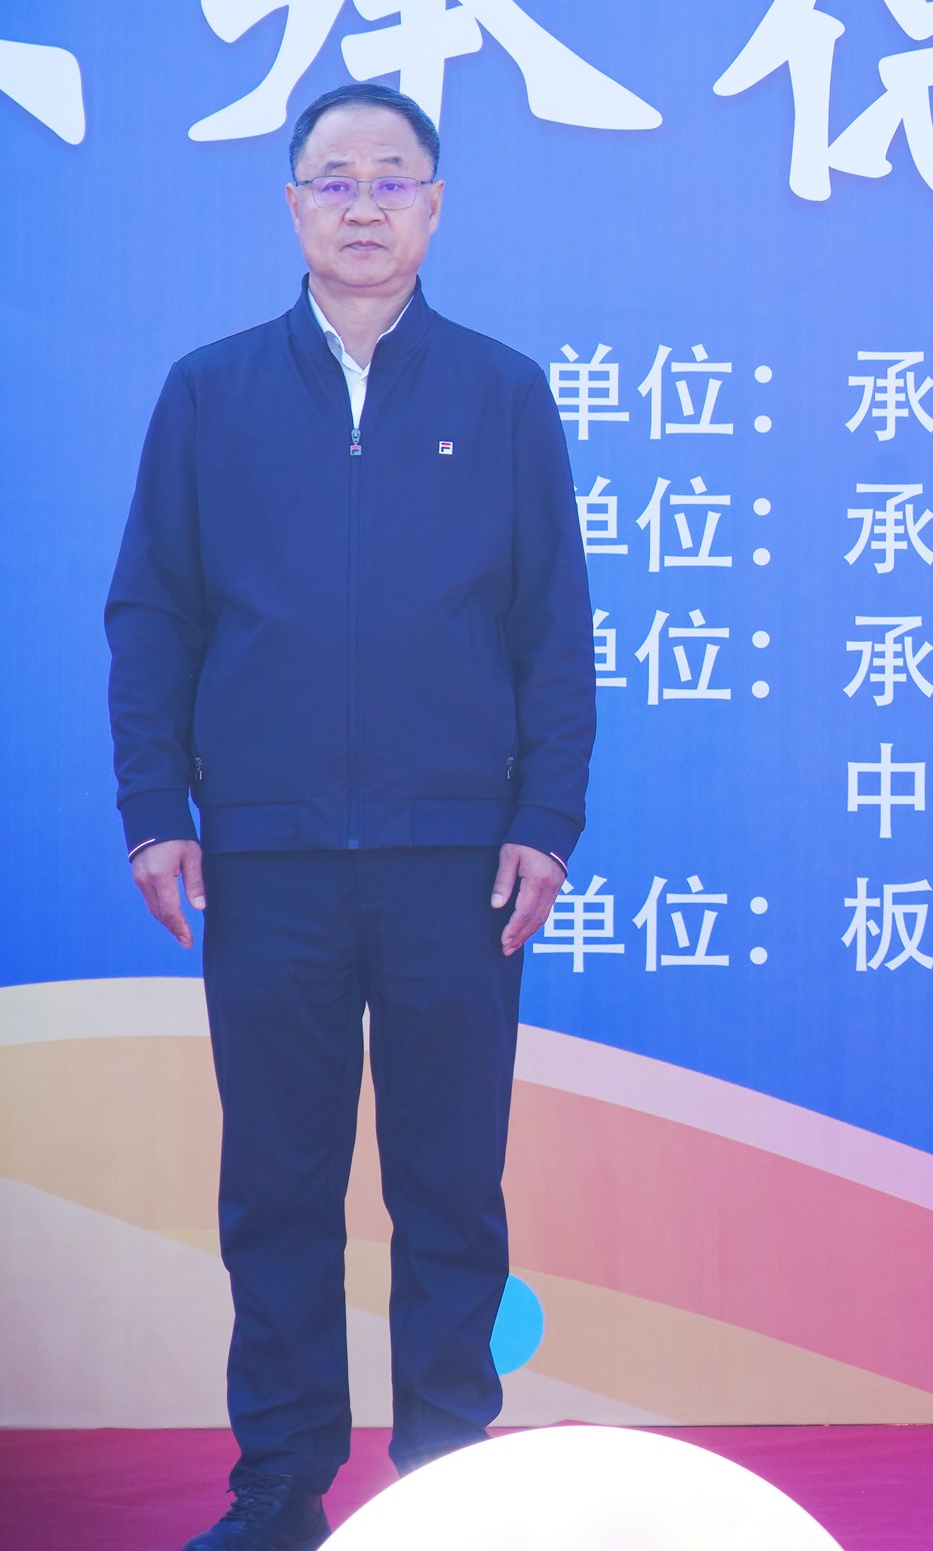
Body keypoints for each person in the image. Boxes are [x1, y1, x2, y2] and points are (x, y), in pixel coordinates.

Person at [107, 82, 597, 1551]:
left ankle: (448, 1480)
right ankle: (279, 1488)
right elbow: (154, 612)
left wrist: (546, 819)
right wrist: (155, 806)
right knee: (278, 1184)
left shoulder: (501, 393)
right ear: (293, 206)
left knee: (449, 1183)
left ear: (435, 208)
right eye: (336, 178)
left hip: (457, 859)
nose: (365, 203)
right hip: (268, 857)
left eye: (394, 178)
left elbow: (554, 627)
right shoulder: (212, 393)